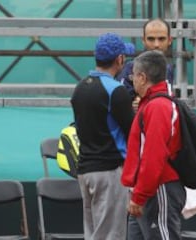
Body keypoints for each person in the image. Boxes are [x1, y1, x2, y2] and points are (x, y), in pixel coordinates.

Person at [71, 32, 135, 240]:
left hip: (85, 171)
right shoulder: (116, 90)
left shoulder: (79, 88)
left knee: (94, 235)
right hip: (110, 171)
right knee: (110, 235)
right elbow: (132, 131)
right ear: (119, 59)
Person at [121, 50, 186, 240]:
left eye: (133, 76)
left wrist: (139, 195)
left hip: (158, 190)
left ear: (142, 77)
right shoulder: (150, 104)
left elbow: (153, 156)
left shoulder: (157, 107)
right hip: (148, 190)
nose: (131, 80)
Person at [116, 18, 174, 100]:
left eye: (161, 39)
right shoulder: (131, 67)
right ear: (143, 40)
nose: (156, 44)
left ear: (169, 40)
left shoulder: (168, 69)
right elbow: (120, 98)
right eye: (151, 39)